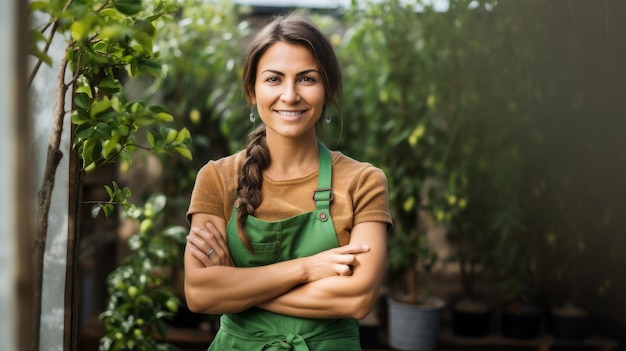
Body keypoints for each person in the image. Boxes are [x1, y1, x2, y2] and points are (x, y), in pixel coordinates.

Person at [184, 13, 392, 350]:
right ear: (252, 91)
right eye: (274, 79)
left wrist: (239, 289)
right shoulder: (217, 178)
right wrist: (308, 269)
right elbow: (198, 293)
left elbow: (357, 298)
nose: (290, 95)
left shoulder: (364, 181)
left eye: (307, 79)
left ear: (328, 89)